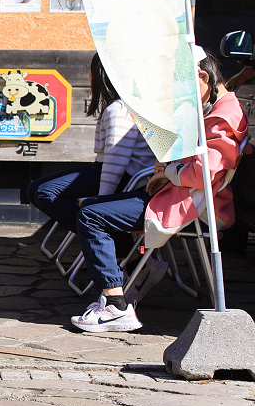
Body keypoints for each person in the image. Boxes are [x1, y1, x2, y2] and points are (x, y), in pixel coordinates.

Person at [72, 49, 249, 333]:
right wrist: (166, 172)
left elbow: (202, 173)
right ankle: (129, 283)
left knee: (91, 214)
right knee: (97, 209)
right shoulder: (222, 108)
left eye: (182, 92)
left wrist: (166, 172)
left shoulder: (223, 116)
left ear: (203, 77)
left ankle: (116, 304)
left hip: (186, 202)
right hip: (183, 196)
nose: (180, 101)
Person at [26, 54, 156, 227]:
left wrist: (101, 202)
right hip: (108, 171)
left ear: (99, 74)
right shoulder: (123, 106)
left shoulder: (119, 109)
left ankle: (112, 239)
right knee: (35, 189)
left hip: (123, 178)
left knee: (45, 192)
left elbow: (115, 162)